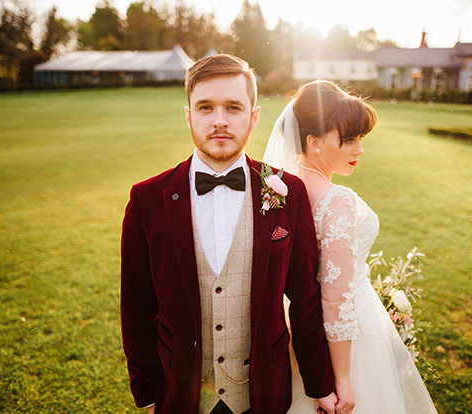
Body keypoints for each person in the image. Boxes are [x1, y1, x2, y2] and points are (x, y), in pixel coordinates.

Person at [120, 55, 338, 414]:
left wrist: (320, 385)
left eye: (233, 107)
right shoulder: (146, 200)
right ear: (188, 115)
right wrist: (147, 391)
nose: (219, 121)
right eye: (205, 107)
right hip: (181, 395)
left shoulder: (288, 192)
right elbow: (136, 306)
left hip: (264, 392)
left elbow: (305, 298)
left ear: (253, 117)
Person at [263, 80, 437, 414]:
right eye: (351, 139)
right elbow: (336, 299)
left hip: (298, 329)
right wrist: (340, 379)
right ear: (314, 141)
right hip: (345, 344)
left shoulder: (281, 189)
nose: (360, 150)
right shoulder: (335, 199)